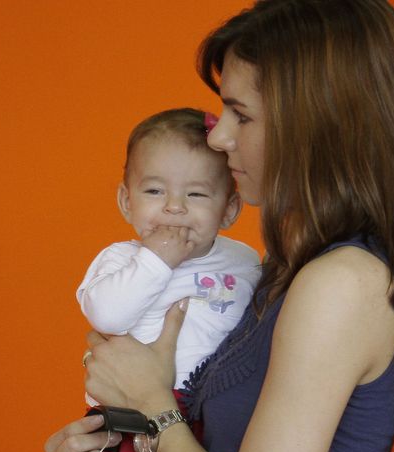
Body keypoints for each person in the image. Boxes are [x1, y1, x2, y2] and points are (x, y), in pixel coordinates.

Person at [44, 1, 394, 452]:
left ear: (319, 120)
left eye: (241, 114)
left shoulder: (343, 285)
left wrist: (151, 403)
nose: (219, 139)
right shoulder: (281, 271)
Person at [77, 107, 260, 404]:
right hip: (130, 411)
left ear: (229, 210)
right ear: (126, 202)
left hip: (216, 406)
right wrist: (155, 261)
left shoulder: (244, 260)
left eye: (196, 194)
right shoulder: (122, 260)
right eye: (154, 191)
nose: (174, 207)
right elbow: (107, 318)